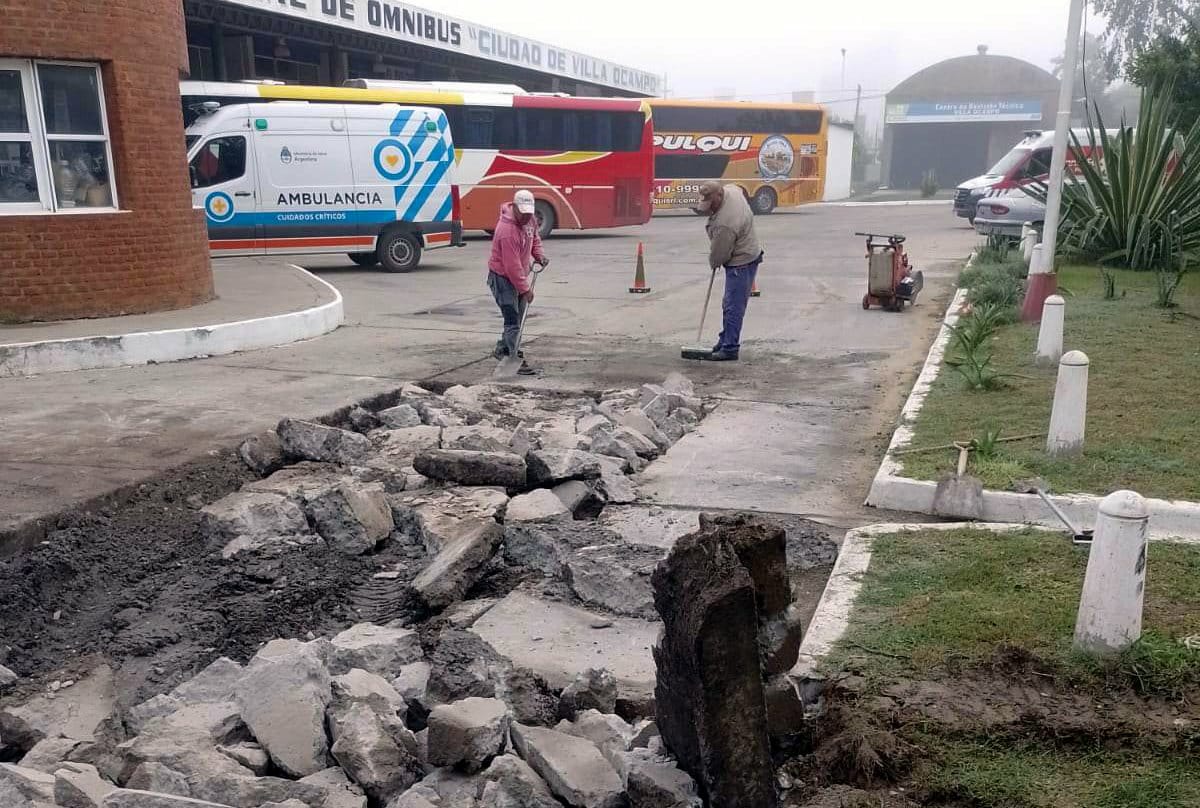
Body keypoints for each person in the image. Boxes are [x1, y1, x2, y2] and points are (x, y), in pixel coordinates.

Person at [696, 181, 763, 361]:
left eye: (711, 205)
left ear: (719, 195)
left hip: (742, 260)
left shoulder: (726, 223)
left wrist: (714, 262)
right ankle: (725, 339)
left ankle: (730, 348)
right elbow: (737, 187)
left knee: (733, 306)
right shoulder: (732, 190)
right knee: (729, 303)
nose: (709, 210)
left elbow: (720, 254)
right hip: (749, 252)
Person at [487, 189, 549, 374]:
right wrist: (525, 290)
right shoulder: (506, 231)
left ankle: (504, 348)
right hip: (502, 278)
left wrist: (539, 255)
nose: (526, 217)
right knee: (512, 318)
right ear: (514, 207)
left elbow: (534, 239)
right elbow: (511, 266)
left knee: (517, 317)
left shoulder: (529, 219)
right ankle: (513, 356)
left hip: (519, 275)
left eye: (529, 212)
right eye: (523, 212)